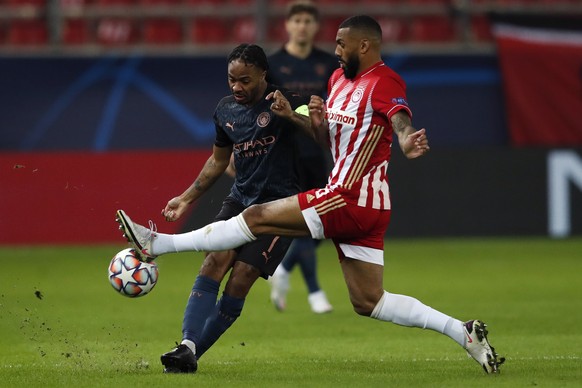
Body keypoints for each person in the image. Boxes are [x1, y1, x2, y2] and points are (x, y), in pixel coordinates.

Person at [117, 15, 505, 374]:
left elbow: (399, 118)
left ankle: (158, 243)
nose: (335, 51)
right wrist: (310, 120)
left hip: (349, 195)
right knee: (369, 302)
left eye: (341, 43)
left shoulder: (385, 81)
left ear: (365, 46)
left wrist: (405, 139)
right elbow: (325, 140)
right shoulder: (337, 81)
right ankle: (463, 332)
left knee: (255, 218)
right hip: (364, 208)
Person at [133, 43, 309, 373]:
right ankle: (186, 345)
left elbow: (323, 131)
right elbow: (218, 161)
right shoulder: (225, 110)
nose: (237, 87)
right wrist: (186, 197)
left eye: (245, 80)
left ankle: (193, 350)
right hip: (240, 200)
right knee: (214, 260)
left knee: (241, 277)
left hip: (280, 208)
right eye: (231, 79)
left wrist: (292, 116)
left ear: (263, 75)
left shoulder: (288, 102)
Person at [267, 0, 338, 314]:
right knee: (307, 222)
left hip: (316, 151)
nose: (303, 26)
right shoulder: (273, 64)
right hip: (284, 154)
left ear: (315, 27)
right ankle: (315, 292)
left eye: (308, 21)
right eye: (297, 20)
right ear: (288, 25)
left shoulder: (328, 64)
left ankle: (282, 269)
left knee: (320, 224)